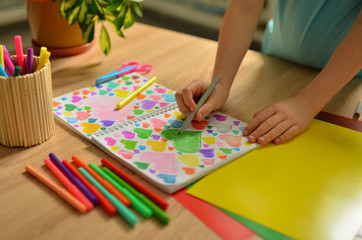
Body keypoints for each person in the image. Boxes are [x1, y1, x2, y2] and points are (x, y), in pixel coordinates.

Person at [175, 0, 362, 145]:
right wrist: (221, 83)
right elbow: (245, 6)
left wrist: (308, 102)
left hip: (346, 81)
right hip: (276, 62)